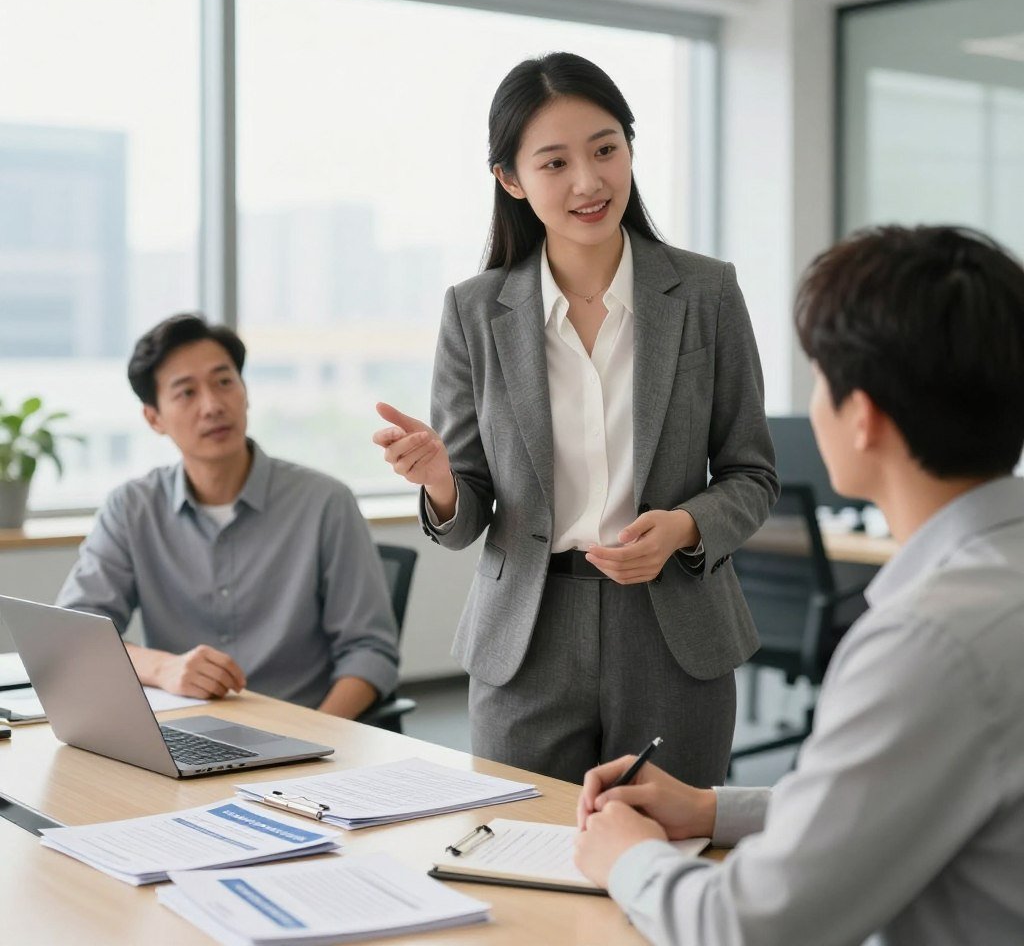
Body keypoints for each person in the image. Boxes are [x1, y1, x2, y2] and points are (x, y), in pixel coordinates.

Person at [575, 225, 1024, 945]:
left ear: (864, 418)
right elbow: (892, 792)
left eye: (820, 379)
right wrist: (713, 810)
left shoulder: (928, 643)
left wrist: (629, 857)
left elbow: (748, 929)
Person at [374, 52, 778, 785]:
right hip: (526, 639)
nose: (589, 182)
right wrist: (439, 482)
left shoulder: (707, 294)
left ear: (630, 147)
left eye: (605, 150)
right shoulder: (475, 311)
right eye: (554, 162)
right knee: (518, 854)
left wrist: (685, 527)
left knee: (671, 861)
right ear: (511, 179)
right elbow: (465, 519)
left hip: (674, 629)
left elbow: (752, 474)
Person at [57, 313, 399, 718]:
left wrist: (319, 738)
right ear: (154, 419)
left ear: (245, 391)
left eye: (224, 382)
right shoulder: (131, 508)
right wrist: (164, 668)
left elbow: (370, 652)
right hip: (184, 735)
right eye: (186, 393)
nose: (213, 406)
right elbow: (75, 635)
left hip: (306, 734)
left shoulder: (326, 502)